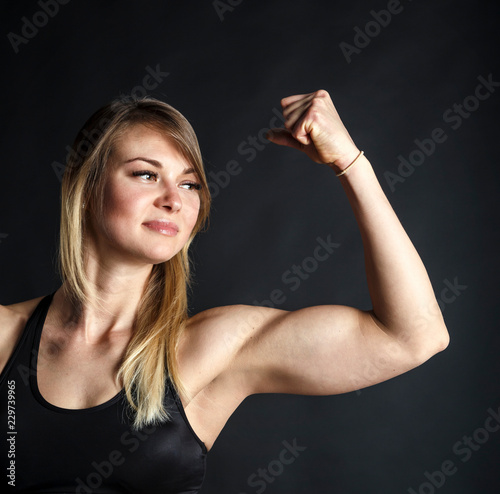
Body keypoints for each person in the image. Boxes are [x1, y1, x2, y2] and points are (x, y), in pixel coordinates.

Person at [0, 90, 449, 493]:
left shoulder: (211, 350)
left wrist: (350, 162)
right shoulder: (6, 337)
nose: (174, 199)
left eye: (190, 183)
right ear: (84, 185)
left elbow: (414, 335)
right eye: (145, 175)